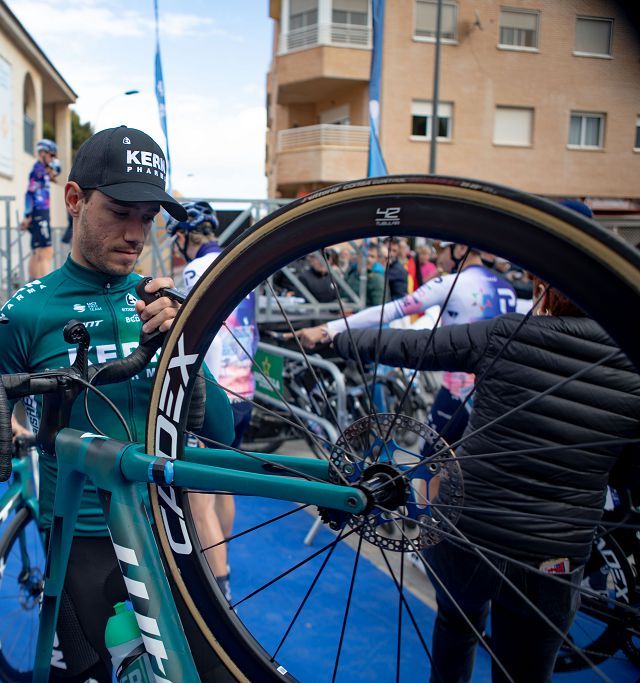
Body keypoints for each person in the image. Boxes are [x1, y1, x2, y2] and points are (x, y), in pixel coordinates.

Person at [0, 126, 234, 680]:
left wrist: (186, 341)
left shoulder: (156, 300)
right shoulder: (28, 312)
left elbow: (220, 433)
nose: (136, 232)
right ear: (74, 199)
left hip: (169, 533)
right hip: (83, 548)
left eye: (148, 216)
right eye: (120, 211)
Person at [331, 280, 640, 682]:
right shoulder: (632, 364)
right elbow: (625, 474)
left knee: (456, 629)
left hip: (465, 535)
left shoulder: (508, 332)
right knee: (523, 671)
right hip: (551, 556)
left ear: (543, 287)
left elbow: (413, 345)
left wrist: (336, 338)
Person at [293, 242, 518, 446]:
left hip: (458, 392)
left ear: (460, 249)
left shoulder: (452, 283)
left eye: (442, 251)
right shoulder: (506, 287)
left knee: (431, 461)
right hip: (497, 392)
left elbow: (393, 309)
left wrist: (329, 328)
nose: (438, 259)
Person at [168, 200, 260, 600]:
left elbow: (202, 336)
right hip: (246, 390)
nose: (176, 247)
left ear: (187, 237)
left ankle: (219, 589)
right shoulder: (240, 261)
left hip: (217, 394)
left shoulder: (194, 270)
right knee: (225, 487)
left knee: (199, 499)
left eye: (177, 239)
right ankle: (223, 556)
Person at [21, 138, 61, 280]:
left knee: (37, 251)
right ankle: (43, 287)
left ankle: (32, 284)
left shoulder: (39, 170)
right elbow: (30, 193)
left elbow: (56, 173)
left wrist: (28, 215)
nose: (52, 159)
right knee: (46, 251)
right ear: (43, 153)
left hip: (37, 212)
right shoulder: (38, 171)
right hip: (40, 212)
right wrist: (27, 215)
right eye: (51, 155)